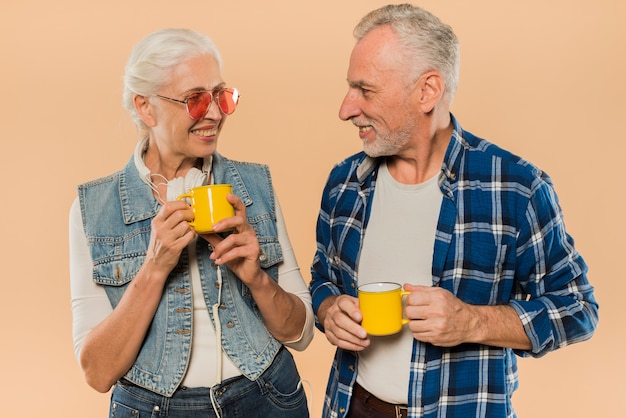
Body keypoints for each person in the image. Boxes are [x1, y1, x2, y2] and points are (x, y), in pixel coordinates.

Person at [309, 4, 599, 418]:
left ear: (427, 91)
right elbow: (323, 278)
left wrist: (473, 322)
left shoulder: (516, 187)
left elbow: (578, 309)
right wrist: (327, 309)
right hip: (354, 407)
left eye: (365, 90)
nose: (345, 109)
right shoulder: (345, 183)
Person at [70, 28, 313, 417]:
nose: (215, 113)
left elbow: (300, 335)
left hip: (267, 399)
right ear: (146, 107)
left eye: (220, 96)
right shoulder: (96, 207)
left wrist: (256, 276)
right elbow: (98, 373)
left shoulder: (253, 186)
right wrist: (155, 267)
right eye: (195, 100)